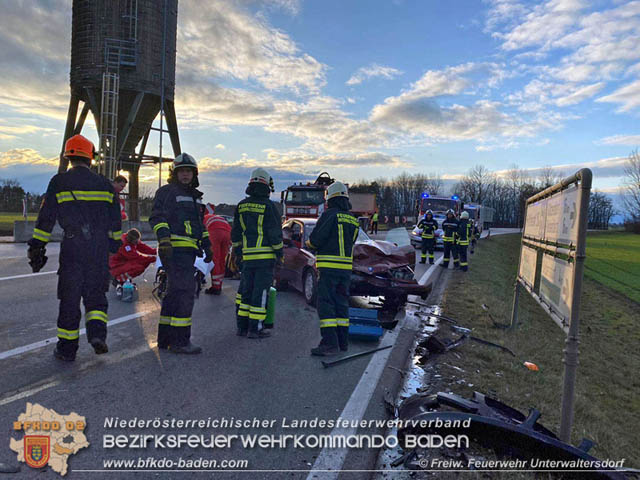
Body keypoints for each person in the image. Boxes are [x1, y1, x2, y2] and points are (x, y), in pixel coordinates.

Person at [27, 134, 122, 361]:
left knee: (69, 299)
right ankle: (98, 335)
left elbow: (46, 218)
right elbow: (115, 220)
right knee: (96, 295)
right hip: (97, 248)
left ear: (69, 157)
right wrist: (113, 243)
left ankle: (67, 350)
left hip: (72, 248)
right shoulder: (105, 185)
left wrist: (37, 247)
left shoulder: (58, 182)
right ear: (91, 158)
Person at [149, 153, 211, 354]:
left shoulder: (195, 197)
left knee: (175, 293)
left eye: (189, 171)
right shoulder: (166, 192)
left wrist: (207, 245)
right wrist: (164, 239)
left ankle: (165, 338)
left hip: (189, 250)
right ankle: (180, 341)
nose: (185, 175)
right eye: (182, 171)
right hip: (174, 250)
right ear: (174, 173)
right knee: (185, 292)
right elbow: (157, 217)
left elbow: (199, 225)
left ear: (194, 174)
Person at [306, 181, 359, 356]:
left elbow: (315, 240)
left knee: (326, 305)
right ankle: (342, 342)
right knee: (342, 305)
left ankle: (329, 344)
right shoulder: (353, 219)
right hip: (345, 270)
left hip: (328, 269)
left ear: (331, 198)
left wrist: (309, 244)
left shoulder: (329, 216)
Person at [231, 168, 283, 338]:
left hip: (247, 258)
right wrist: (279, 253)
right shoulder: (269, 206)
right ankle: (256, 328)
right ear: (267, 186)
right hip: (265, 258)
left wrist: (238, 252)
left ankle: (242, 327)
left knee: (245, 292)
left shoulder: (242, 205)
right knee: (260, 293)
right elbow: (274, 234)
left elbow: (236, 233)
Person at [203, 203, 232, 295]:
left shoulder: (203, 218)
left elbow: (201, 232)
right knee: (221, 260)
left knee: (214, 259)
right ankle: (219, 285)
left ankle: (215, 288)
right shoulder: (218, 217)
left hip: (215, 232)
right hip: (227, 233)